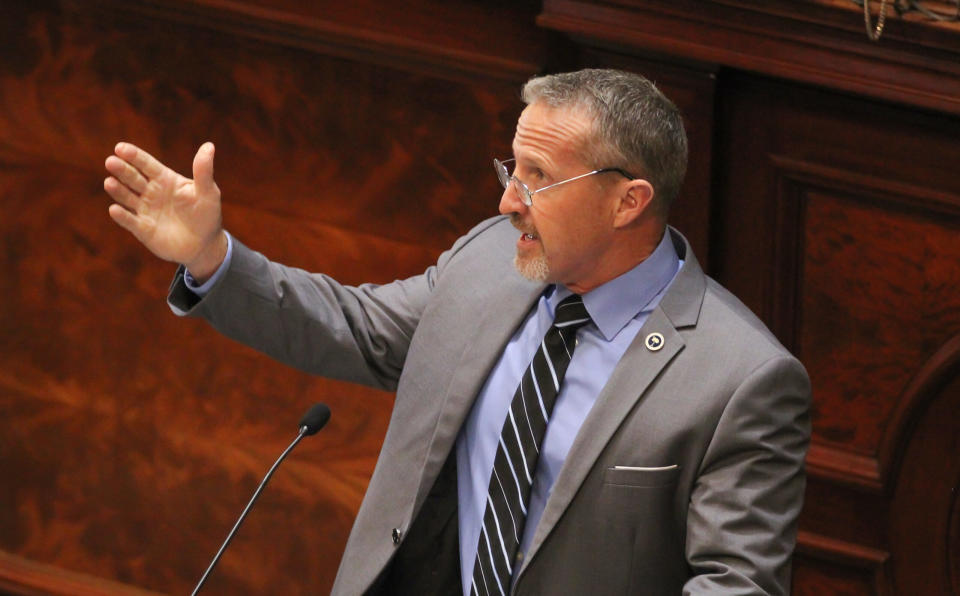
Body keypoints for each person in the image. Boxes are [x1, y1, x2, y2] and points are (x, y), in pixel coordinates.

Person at [104, 69, 810, 595]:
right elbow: (354, 328)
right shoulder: (489, 266)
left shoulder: (738, 379)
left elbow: (734, 586)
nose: (508, 201)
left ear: (628, 201)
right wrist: (210, 258)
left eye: (537, 178)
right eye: (512, 167)